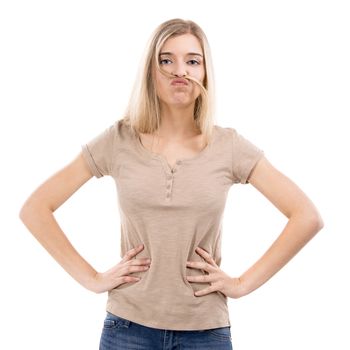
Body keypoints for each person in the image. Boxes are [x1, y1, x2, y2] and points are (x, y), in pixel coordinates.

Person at [19, 18, 324, 350]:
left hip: (205, 331)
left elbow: (306, 216)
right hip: (127, 328)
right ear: (151, 70)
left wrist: (240, 284)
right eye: (166, 60)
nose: (181, 70)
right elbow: (35, 209)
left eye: (193, 60)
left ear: (206, 71)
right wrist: (92, 279)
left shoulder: (229, 146)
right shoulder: (118, 140)